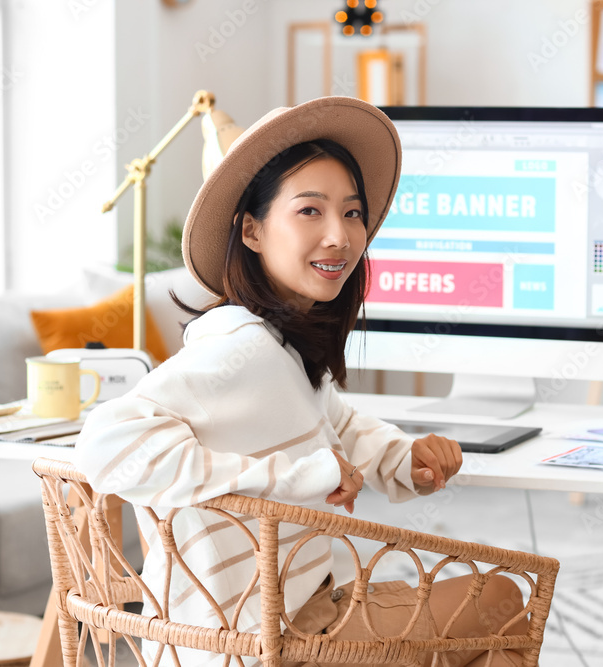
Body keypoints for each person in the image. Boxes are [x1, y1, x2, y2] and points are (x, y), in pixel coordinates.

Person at [74, 96, 528, 667]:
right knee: (506, 600)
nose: (340, 236)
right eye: (310, 211)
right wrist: (289, 480)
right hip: (262, 641)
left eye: (353, 213)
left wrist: (404, 458)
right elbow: (103, 442)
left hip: (285, 618)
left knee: (491, 648)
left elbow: (336, 423)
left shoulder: (279, 345)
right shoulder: (243, 350)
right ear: (253, 231)